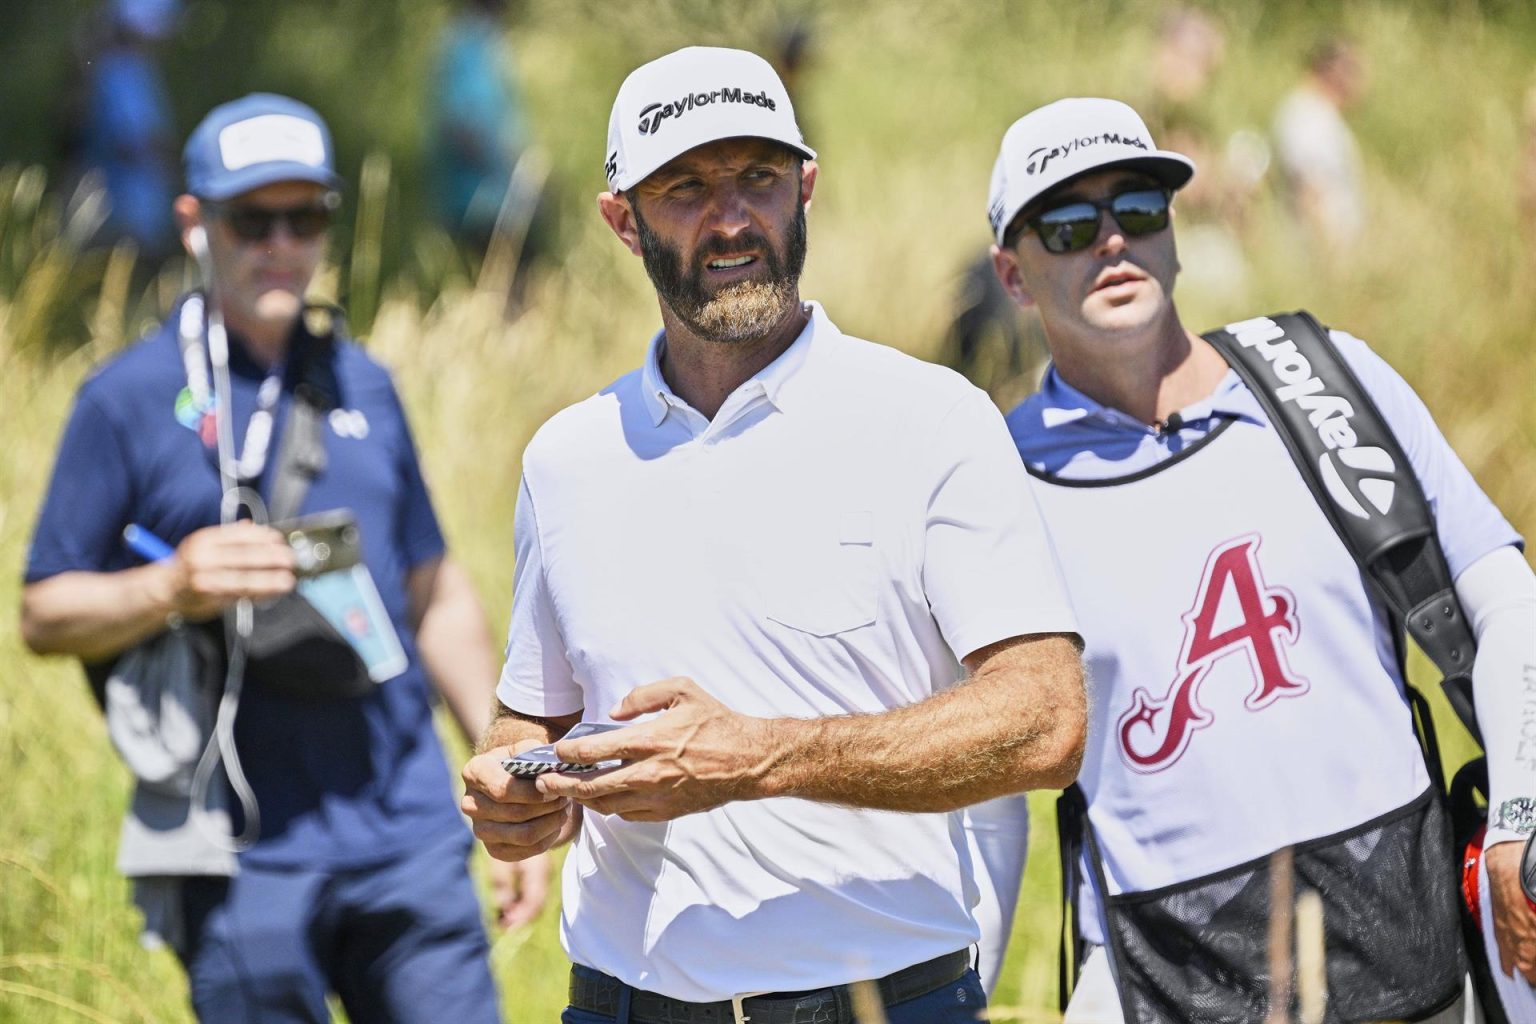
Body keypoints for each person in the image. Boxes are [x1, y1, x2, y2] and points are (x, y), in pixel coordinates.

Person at [460, 46, 1087, 1024]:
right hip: (624, 1004)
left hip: (886, 1003)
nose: (731, 218)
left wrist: (759, 754)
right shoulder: (566, 457)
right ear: (621, 221)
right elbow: (534, 718)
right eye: (686, 188)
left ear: (806, 189)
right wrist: (514, 788)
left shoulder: (930, 419)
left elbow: (1046, 719)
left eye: (757, 178)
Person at [985, 96, 1536, 1022]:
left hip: (1420, 952)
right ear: (1012, 273)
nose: (1112, 240)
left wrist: (1521, 817)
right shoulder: (995, 482)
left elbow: (1506, 602)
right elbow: (982, 776)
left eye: (1141, 208)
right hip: (1161, 976)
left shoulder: (1323, 380)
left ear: (1176, 232)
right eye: (1070, 225)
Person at [21, 92, 546, 1023]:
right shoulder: (126, 398)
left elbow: (433, 592)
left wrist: (506, 764)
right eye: (250, 220)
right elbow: (45, 612)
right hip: (239, 854)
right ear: (196, 224)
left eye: (303, 219)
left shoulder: (366, 381)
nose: (279, 245)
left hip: (407, 835)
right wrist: (171, 585)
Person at [1272, 37, 1368, 254]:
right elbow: (1310, 189)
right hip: (1319, 254)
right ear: (1336, 71)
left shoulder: (1322, 115)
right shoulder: (1307, 114)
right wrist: (1328, 257)